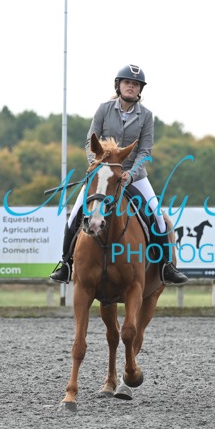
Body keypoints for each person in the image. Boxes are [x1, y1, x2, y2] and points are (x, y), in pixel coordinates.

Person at [50, 64, 188, 285]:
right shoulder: (104, 109)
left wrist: (130, 174)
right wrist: (99, 167)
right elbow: (90, 143)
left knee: (158, 217)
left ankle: (166, 266)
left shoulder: (146, 116)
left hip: (135, 176)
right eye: (127, 83)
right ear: (119, 85)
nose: (131, 87)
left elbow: (145, 151)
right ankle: (66, 264)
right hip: (103, 175)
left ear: (140, 89)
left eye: (135, 84)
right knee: (74, 215)